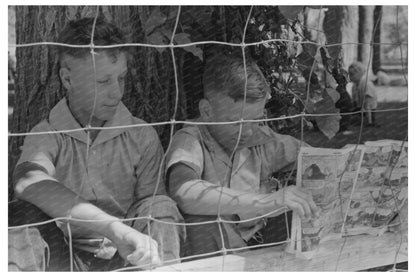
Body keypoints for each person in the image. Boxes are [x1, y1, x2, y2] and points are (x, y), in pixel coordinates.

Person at [13, 17, 184, 271]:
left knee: (160, 207)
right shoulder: (46, 134)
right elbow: (28, 182)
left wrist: (128, 238)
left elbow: (152, 209)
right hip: (64, 254)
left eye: (122, 78)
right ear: (67, 80)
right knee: (20, 217)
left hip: (129, 254)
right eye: (103, 82)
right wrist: (112, 228)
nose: (117, 92)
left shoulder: (141, 135)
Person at [165, 54, 319, 257]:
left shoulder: (259, 138)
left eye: (255, 120)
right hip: (216, 250)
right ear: (207, 110)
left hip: (261, 240)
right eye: (236, 122)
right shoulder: (190, 139)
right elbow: (183, 191)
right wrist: (269, 201)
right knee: (201, 221)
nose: (247, 131)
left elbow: (316, 157)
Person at [348, 62, 379, 127]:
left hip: (368, 110)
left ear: (359, 73)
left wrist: (369, 122)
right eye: (349, 74)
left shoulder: (367, 85)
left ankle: (369, 121)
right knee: (346, 118)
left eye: (352, 74)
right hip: (359, 108)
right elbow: (354, 102)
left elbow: (368, 104)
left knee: (350, 121)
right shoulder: (354, 85)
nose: (350, 77)